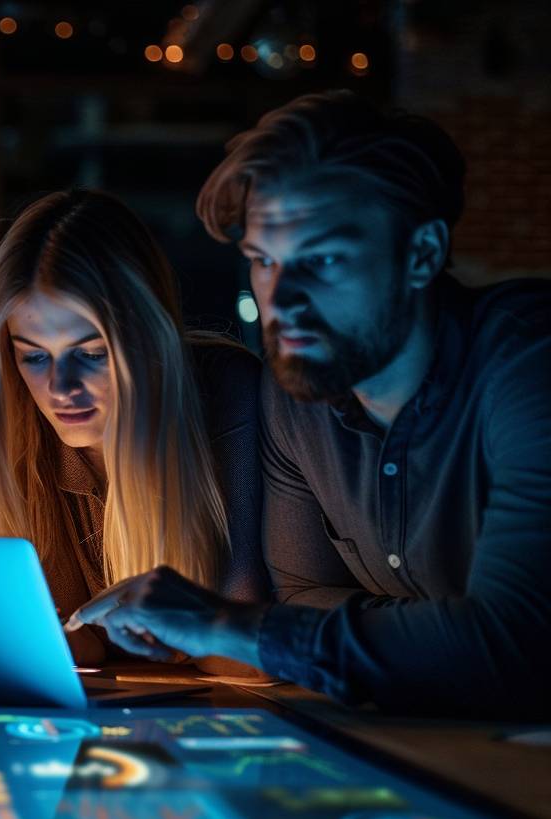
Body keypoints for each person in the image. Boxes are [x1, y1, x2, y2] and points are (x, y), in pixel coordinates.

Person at [68, 91, 551, 718]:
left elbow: (510, 646)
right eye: (264, 261)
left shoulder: (529, 360)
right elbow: (300, 596)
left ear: (423, 255)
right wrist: (442, 633)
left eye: (321, 260)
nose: (282, 299)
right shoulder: (299, 392)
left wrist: (225, 625)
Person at [0, 189, 266, 671]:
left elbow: (245, 662)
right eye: (34, 355)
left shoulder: (228, 394)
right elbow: (80, 650)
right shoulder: (18, 424)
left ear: (148, 339)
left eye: (92, 354)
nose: (61, 387)